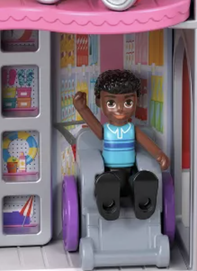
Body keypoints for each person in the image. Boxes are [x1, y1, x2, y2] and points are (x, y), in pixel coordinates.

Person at [72, 69, 170, 221]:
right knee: (109, 183)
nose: (120, 108)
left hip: (131, 173)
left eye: (128, 102)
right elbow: (95, 127)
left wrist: (159, 155)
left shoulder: (132, 130)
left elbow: (147, 143)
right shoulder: (106, 130)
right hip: (111, 173)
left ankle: (144, 204)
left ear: (136, 101)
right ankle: (108, 205)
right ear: (99, 102)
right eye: (111, 103)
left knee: (142, 180)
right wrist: (82, 108)